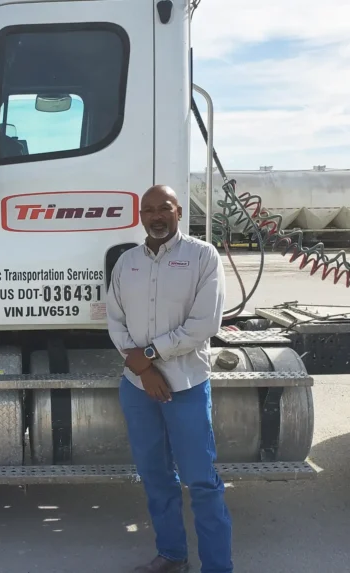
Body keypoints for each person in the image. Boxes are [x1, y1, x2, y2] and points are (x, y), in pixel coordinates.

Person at [106, 184, 232, 573]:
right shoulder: (126, 262)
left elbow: (204, 324)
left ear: (179, 212)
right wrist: (143, 372)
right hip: (138, 388)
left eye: (165, 208)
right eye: (149, 210)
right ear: (141, 216)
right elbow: (115, 320)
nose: (156, 216)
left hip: (187, 385)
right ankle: (172, 554)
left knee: (201, 481)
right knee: (155, 477)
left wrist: (147, 357)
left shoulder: (202, 256)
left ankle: (217, 567)